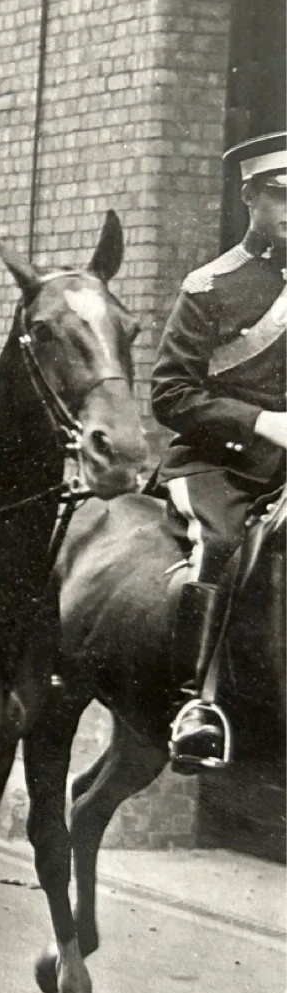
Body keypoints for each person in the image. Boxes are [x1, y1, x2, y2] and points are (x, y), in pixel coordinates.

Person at [152, 130, 287, 770]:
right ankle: (194, 703)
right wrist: (262, 422)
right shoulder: (209, 287)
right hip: (222, 464)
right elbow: (171, 396)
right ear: (249, 199)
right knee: (221, 543)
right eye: (280, 195)